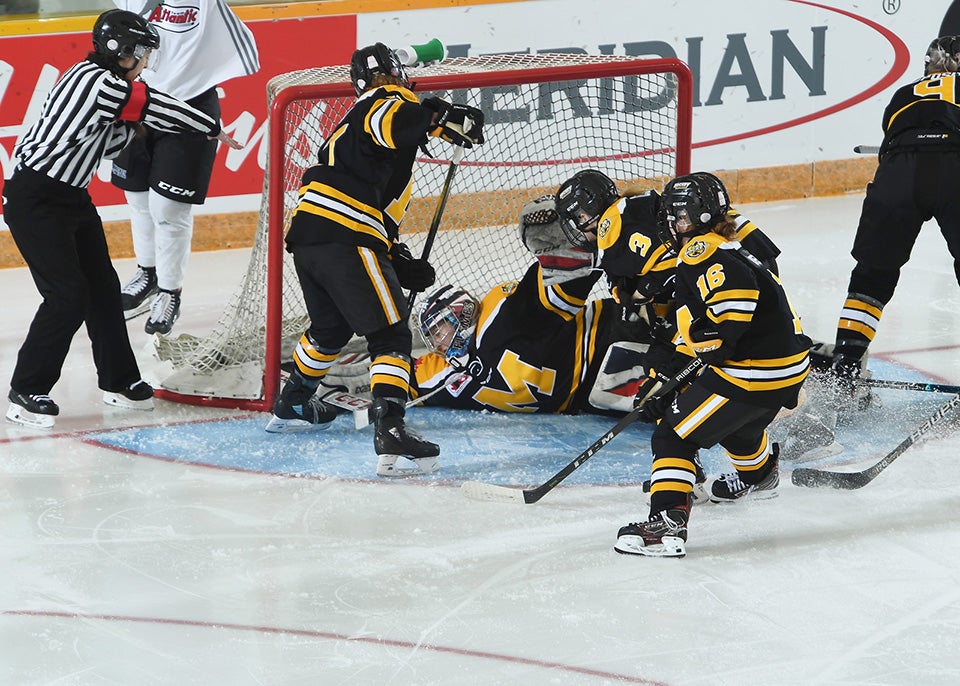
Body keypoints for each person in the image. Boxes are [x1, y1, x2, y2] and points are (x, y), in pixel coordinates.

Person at [2, 9, 242, 430]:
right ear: (121, 51)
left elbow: (112, 141)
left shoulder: (103, 82)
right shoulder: (100, 83)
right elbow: (157, 107)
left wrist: (138, 130)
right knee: (67, 296)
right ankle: (26, 389)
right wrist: (209, 126)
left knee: (103, 290)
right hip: (35, 199)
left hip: (70, 198)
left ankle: (120, 381)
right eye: (142, 53)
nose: (147, 61)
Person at [264, 42, 484, 478]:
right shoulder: (386, 101)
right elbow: (396, 119)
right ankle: (392, 433)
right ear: (394, 75)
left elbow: (374, 205)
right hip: (346, 235)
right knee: (390, 336)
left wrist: (396, 257)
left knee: (331, 329)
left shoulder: (353, 124)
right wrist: (441, 115)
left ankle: (291, 402)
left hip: (311, 234)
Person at [610, 173, 811, 558]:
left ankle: (665, 522)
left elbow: (723, 327)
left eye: (676, 216)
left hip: (753, 372)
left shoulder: (701, 251)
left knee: (672, 434)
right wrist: (671, 372)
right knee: (739, 431)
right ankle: (761, 476)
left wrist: (703, 352)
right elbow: (708, 330)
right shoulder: (729, 243)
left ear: (694, 217)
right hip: (782, 369)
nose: (670, 225)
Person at [412, 195, 678, 416]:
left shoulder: (497, 314)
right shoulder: (444, 375)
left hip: (604, 334)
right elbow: (407, 379)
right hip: (590, 395)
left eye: (439, 329)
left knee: (685, 326)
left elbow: (548, 298)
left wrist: (576, 245)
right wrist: (384, 370)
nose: (437, 341)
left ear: (461, 313)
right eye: (433, 335)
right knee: (668, 403)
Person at [111, 0, 259, 335]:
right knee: (137, 199)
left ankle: (169, 290)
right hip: (137, 96)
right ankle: (147, 274)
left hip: (189, 101)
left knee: (168, 209)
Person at [829, 36, 960, 386]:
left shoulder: (903, 93)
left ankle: (845, 367)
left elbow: (892, 140)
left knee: (872, 275)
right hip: (955, 167)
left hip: (899, 173)